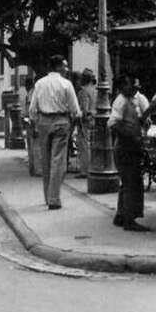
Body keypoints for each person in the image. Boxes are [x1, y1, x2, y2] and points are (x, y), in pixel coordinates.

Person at [28, 55, 81, 210]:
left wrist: (36, 121)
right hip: (61, 121)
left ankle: (48, 196)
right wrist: (77, 117)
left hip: (43, 122)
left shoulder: (39, 83)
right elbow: (75, 109)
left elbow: (32, 109)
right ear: (58, 67)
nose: (67, 69)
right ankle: (54, 198)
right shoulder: (66, 84)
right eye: (65, 66)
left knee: (46, 160)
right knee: (58, 160)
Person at [108, 73, 150, 232]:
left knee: (127, 182)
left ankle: (121, 215)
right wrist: (130, 134)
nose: (134, 87)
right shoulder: (121, 102)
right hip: (125, 147)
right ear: (122, 87)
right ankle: (129, 220)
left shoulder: (131, 100)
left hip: (130, 146)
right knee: (132, 182)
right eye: (130, 84)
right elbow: (112, 123)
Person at [76, 68, 97, 178]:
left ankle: (85, 170)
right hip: (95, 122)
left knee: (84, 146)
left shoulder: (83, 92)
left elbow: (84, 110)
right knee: (92, 146)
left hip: (85, 123)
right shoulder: (96, 91)